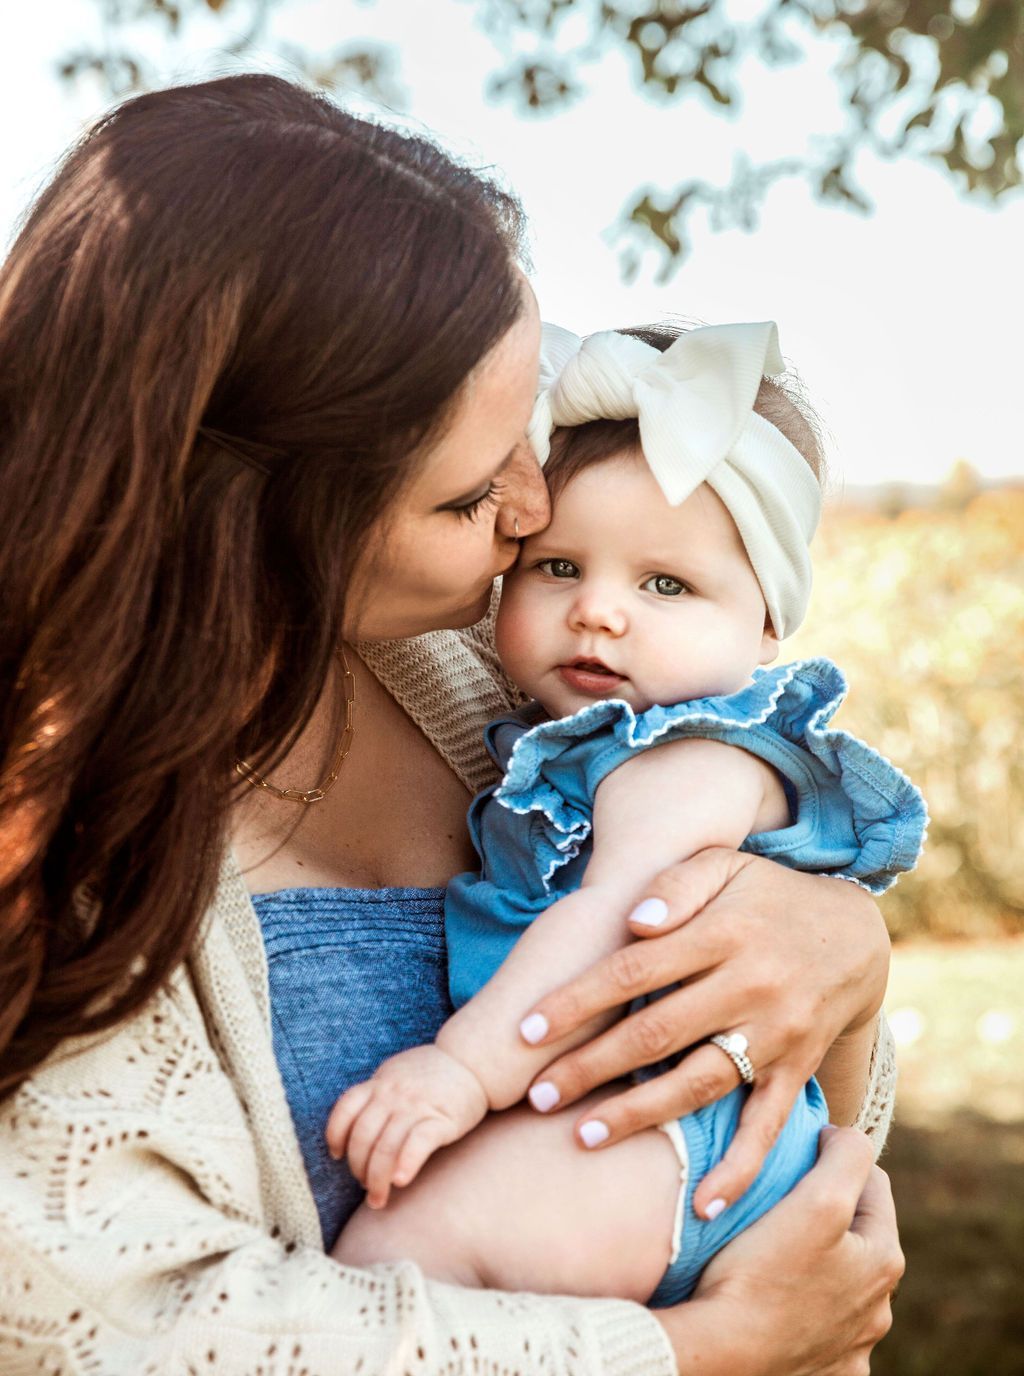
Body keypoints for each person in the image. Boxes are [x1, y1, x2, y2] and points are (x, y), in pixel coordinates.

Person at [0, 75, 903, 1375]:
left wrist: (839, 956)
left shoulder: (492, 686)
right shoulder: (64, 853)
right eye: (476, 492)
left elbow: (797, 1130)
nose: (538, 511)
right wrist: (698, 1352)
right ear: (260, 518)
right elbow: (116, 1329)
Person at [326, 320, 926, 1304]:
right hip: (628, 1134)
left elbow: (612, 917)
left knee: (403, 1258)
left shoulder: (686, 757)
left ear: (766, 620)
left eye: (665, 582)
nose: (600, 610)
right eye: (559, 566)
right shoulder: (566, 734)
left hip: (670, 1145)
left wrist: (461, 1072)